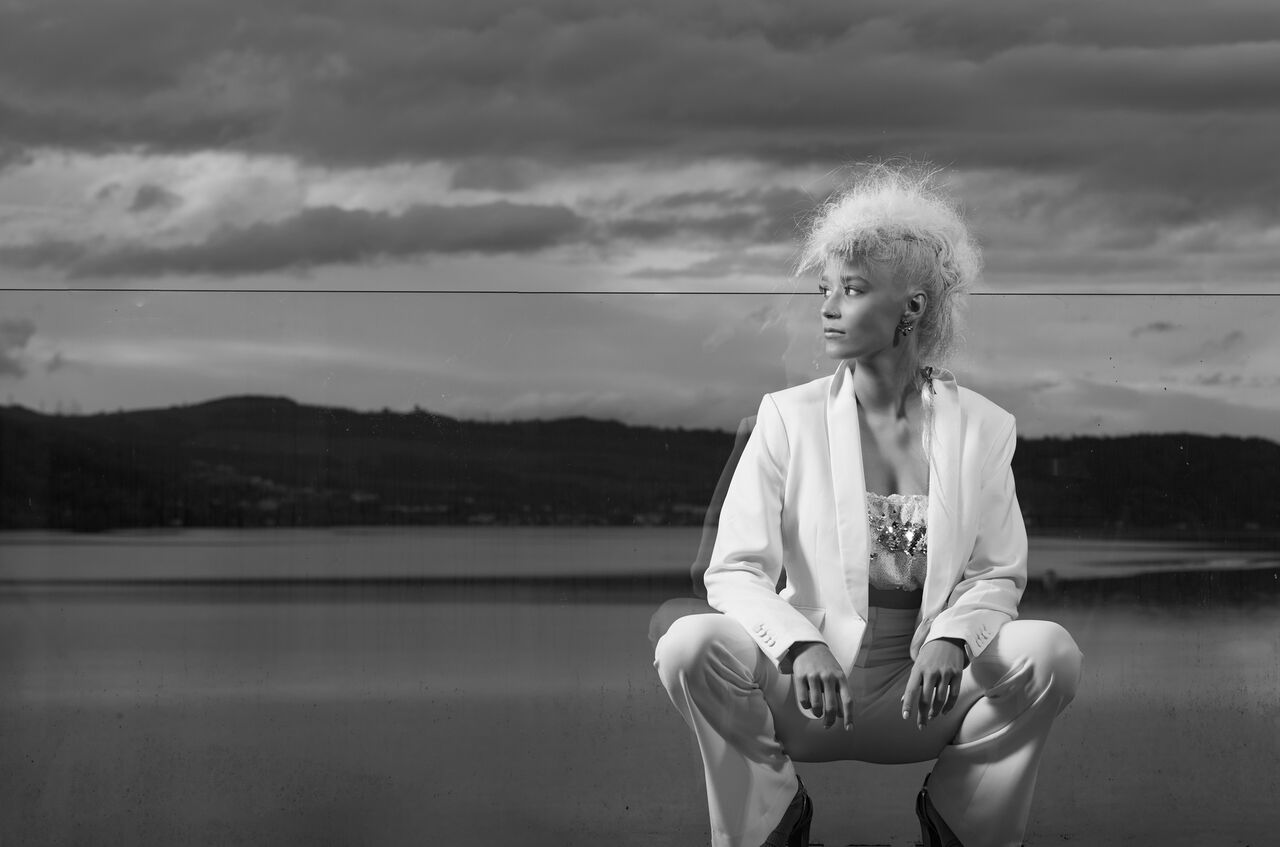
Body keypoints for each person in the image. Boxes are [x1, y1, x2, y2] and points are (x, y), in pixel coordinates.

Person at [651, 163, 1083, 847]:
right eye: (824, 290)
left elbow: (997, 573)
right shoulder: (787, 417)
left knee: (1051, 652)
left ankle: (960, 823)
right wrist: (799, 643)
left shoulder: (983, 427)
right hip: (808, 689)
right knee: (688, 645)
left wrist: (951, 639)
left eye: (851, 290)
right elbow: (733, 571)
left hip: (927, 691)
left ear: (912, 307)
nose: (827, 307)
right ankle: (772, 822)